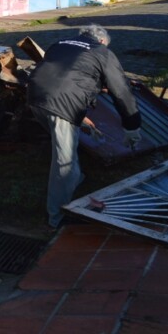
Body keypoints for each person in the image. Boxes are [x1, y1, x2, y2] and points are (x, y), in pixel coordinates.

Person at [26, 24, 142, 229]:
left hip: (34, 96)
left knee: (66, 144)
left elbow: (69, 72)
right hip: (62, 103)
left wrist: (96, 84)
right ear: (103, 41)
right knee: (64, 162)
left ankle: (75, 179)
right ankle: (57, 215)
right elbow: (122, 91)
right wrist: (132, 126)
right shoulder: (102, 52)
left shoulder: (60, 43)